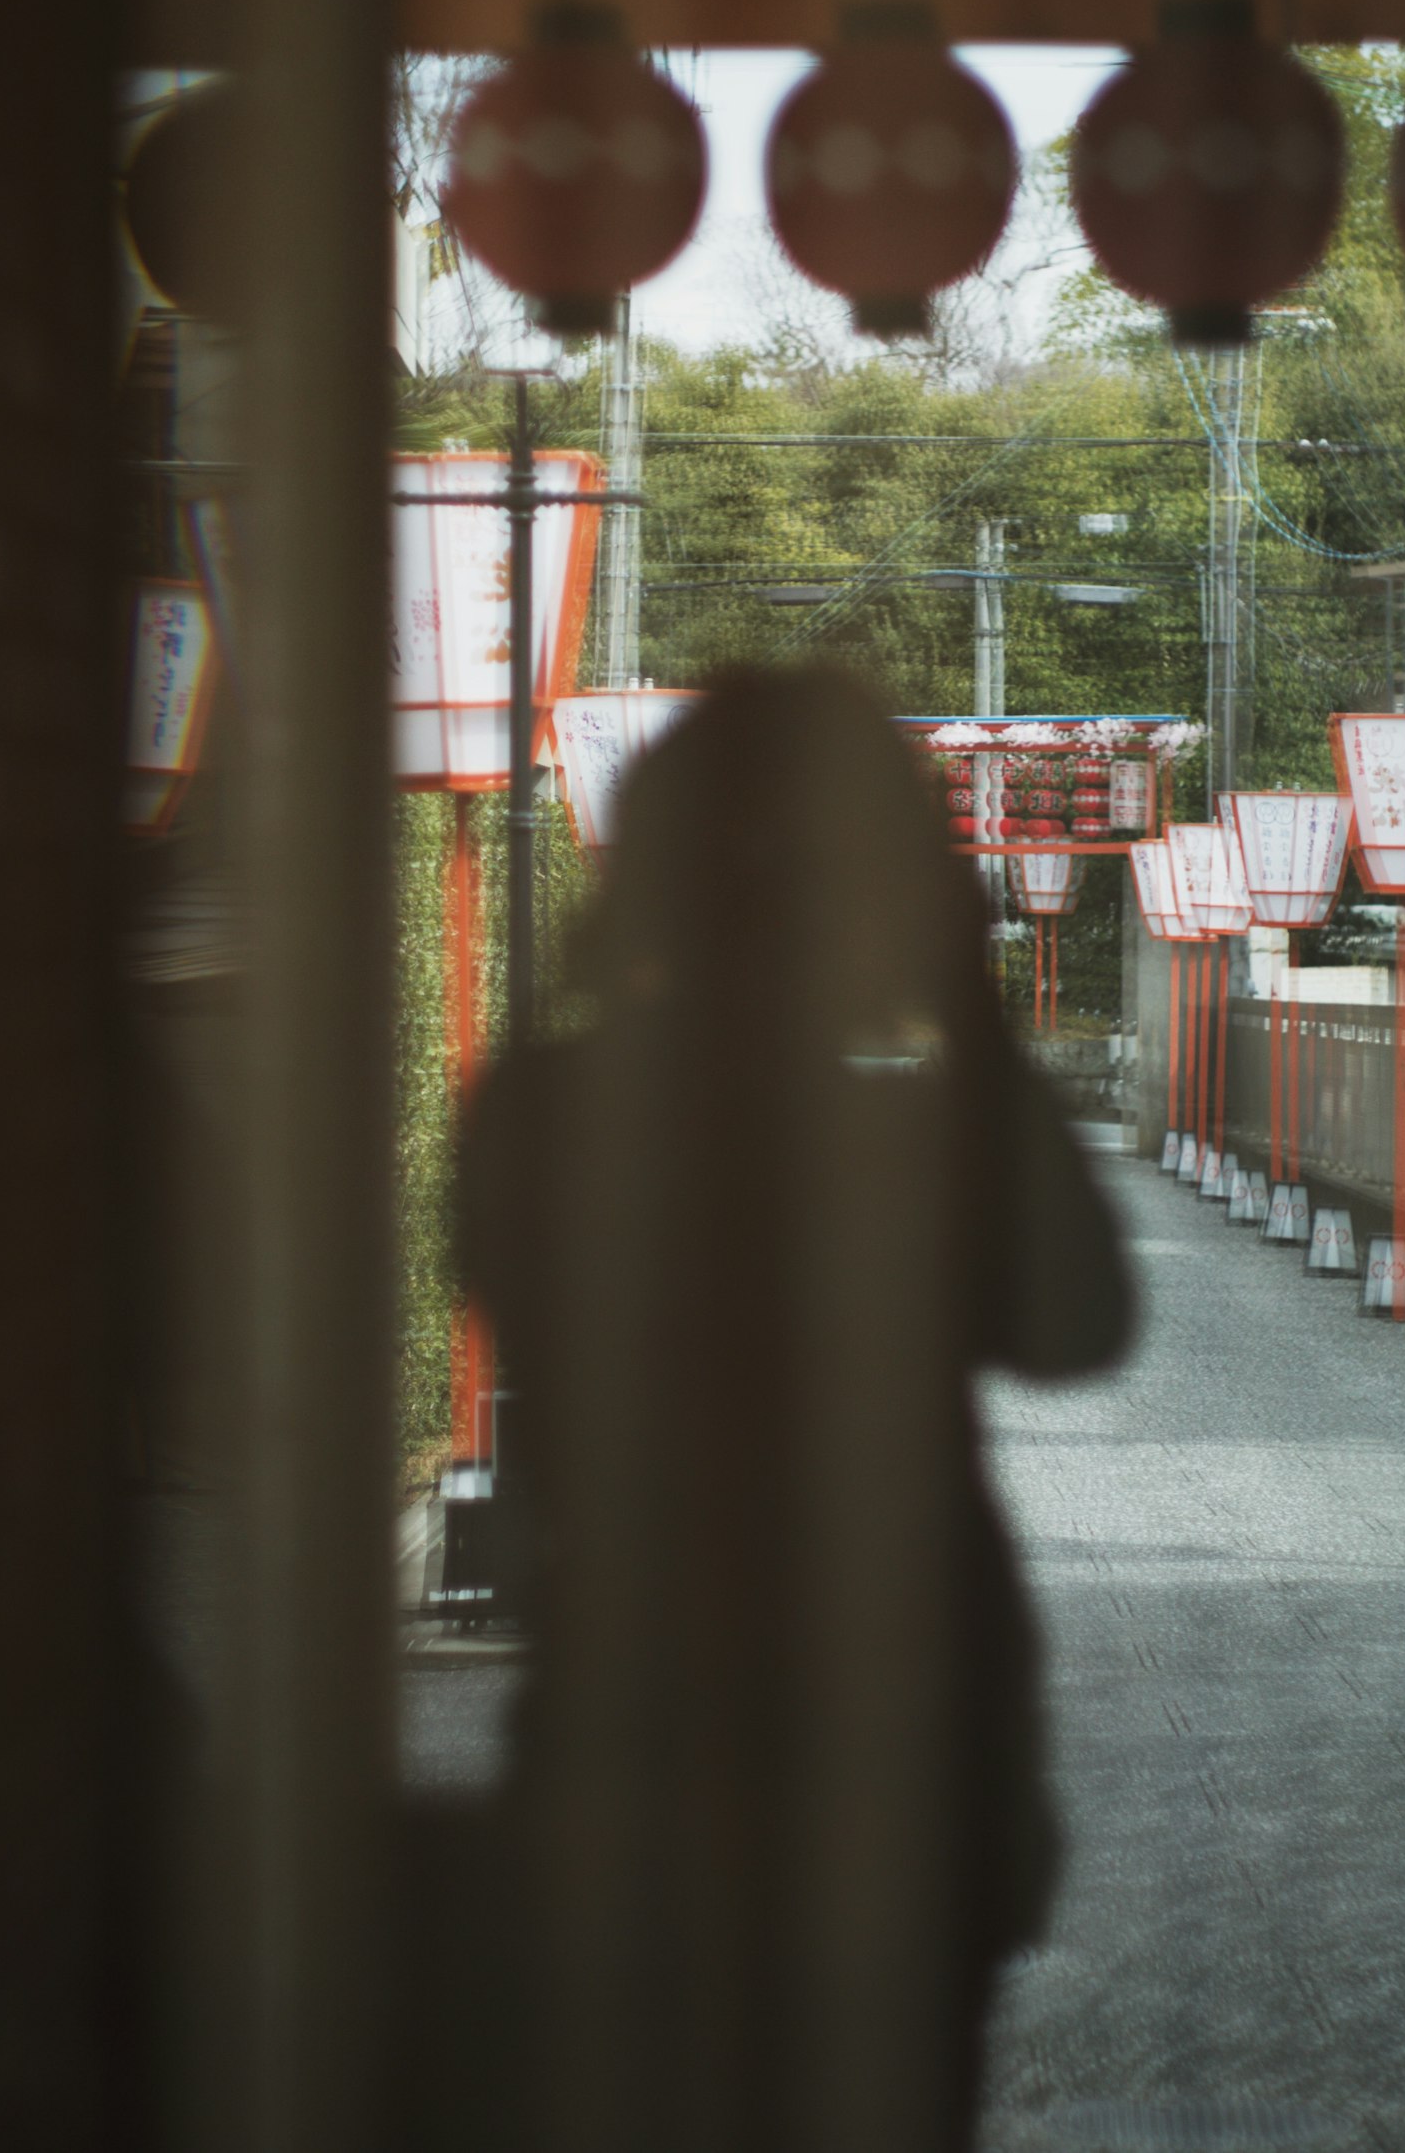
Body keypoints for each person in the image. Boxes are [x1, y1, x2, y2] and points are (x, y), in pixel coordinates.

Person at [451, 665, 1138, 2152]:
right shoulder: (894, 1138)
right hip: (904, 1762)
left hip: (628, 1746)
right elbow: (1081, 1316)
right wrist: (957, 993)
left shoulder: (539, 1113)